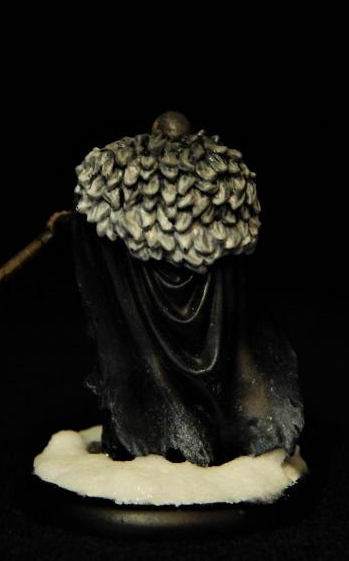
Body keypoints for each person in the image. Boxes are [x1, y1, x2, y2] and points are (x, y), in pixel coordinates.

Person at [71, 112, 303, 466]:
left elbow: (99, 231)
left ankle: (180, 435)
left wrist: (77, 222)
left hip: (158, 321)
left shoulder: (123, 189)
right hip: (206, 322)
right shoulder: (223, 194)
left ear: (154, 132)